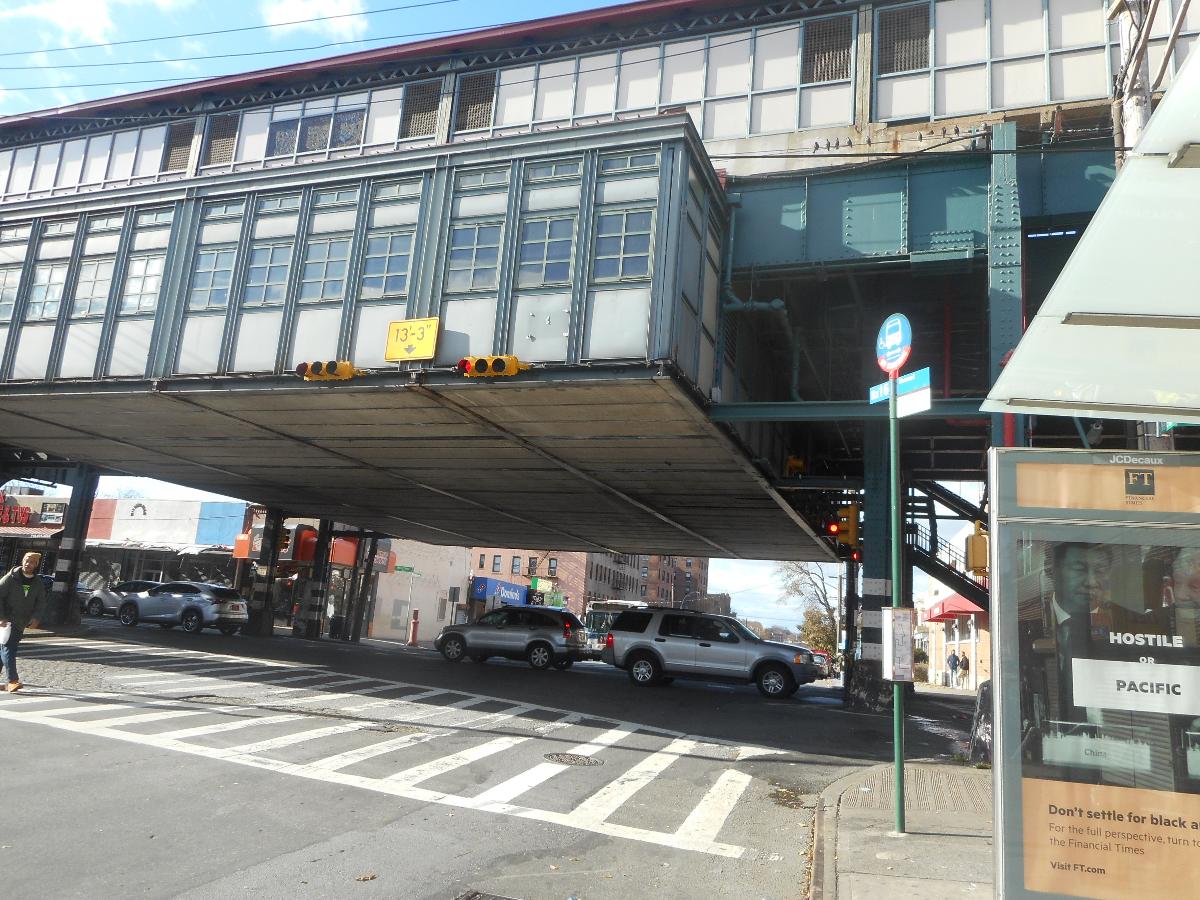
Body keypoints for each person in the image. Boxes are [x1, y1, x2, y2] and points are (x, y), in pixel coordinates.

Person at [0, 552, 49, 693]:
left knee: (3, 649)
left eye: (32, 562)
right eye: (27, 560)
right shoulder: (11, 578)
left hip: (22, 621)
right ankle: (12, 681)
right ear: (22, 561)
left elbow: (41, 602)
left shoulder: (37, 582)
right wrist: (1, 616)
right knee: (9, 648)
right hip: (7, 621)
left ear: (36, 565)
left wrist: (36, 618)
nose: (28, 564)